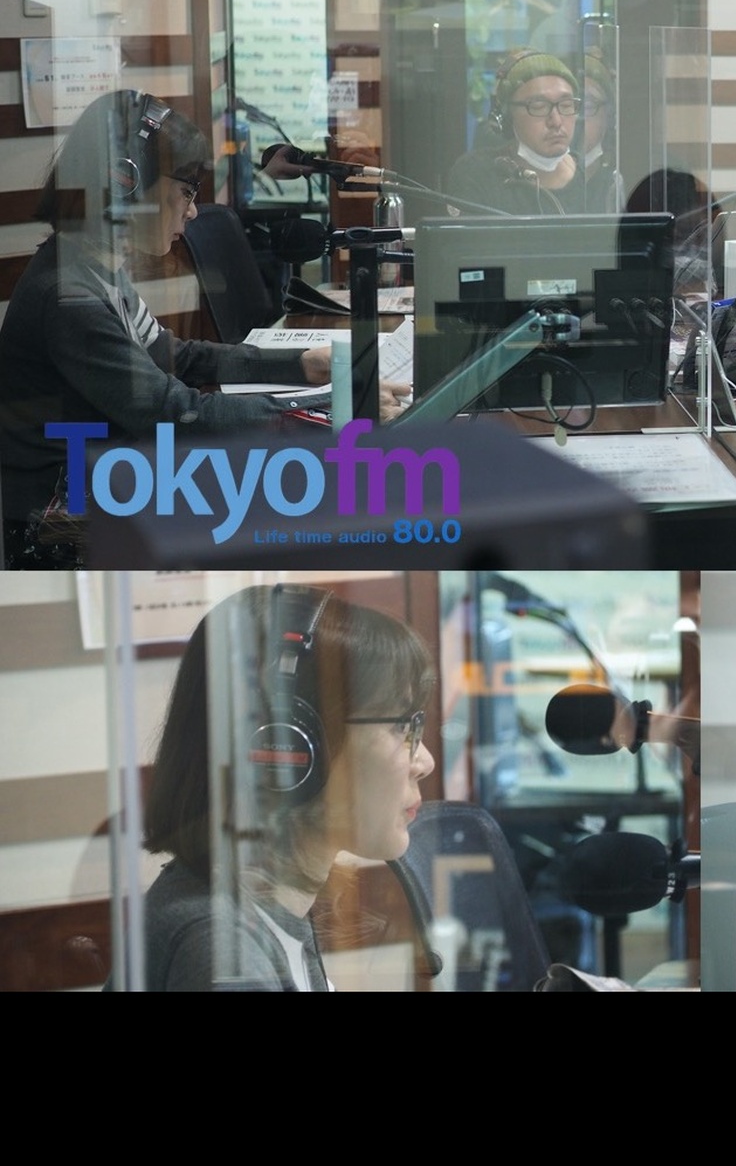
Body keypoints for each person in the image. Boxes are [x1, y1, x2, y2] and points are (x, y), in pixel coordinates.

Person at [0, 91, 333, 567]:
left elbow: (174, 354)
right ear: (126, 184)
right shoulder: (68, 296)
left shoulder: (90, 264)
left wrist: (301, 365)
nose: (192, 210)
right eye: (187, 190)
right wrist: (319, 412)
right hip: (62, 521)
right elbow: (173, 413)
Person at [137, 583, 437, 991]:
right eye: (402, 726)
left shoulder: (260, 903)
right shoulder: (225, 956)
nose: (425, 762)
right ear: (288, 746)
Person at [446, 49, 589, 216]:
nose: (556, 122)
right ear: (507, 116)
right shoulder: (477, 174)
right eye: (538, 107)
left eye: (566, 105)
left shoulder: (590, 176)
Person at [578, 47, 625, 214]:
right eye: (566, 105)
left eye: (587, 106)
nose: (576, 119)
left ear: (609, 116)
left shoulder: (618, 184)